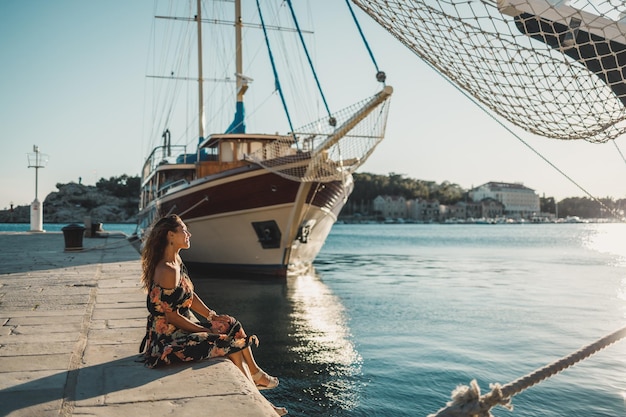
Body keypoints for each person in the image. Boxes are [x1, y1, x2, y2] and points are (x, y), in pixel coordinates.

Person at [139, 214, 286, 415]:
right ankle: (262, 402)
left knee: (230, 323)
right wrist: (205, 330)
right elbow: (171, 317)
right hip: (165, 341)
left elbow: (190, 295)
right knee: (228, 344)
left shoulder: (177, 261)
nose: (189, 234)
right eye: (184, 230)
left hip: (179, 330)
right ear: (171, 235)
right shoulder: (166, 269)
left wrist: (212, 317)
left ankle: (255, 372)